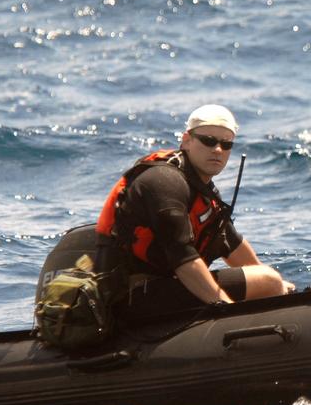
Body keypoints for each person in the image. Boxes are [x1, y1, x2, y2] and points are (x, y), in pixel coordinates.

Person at [96, 104, 291, 316]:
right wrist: (229, 311)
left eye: (226, 144)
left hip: (164, 285)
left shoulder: (202, 190)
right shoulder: (164, 182)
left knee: (271, 280)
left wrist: (281, 288)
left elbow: (231, 243)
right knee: (268, 282)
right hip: (131, 296)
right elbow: (183, 259)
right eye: (208, 141)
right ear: (187, 140)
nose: (218, 149)